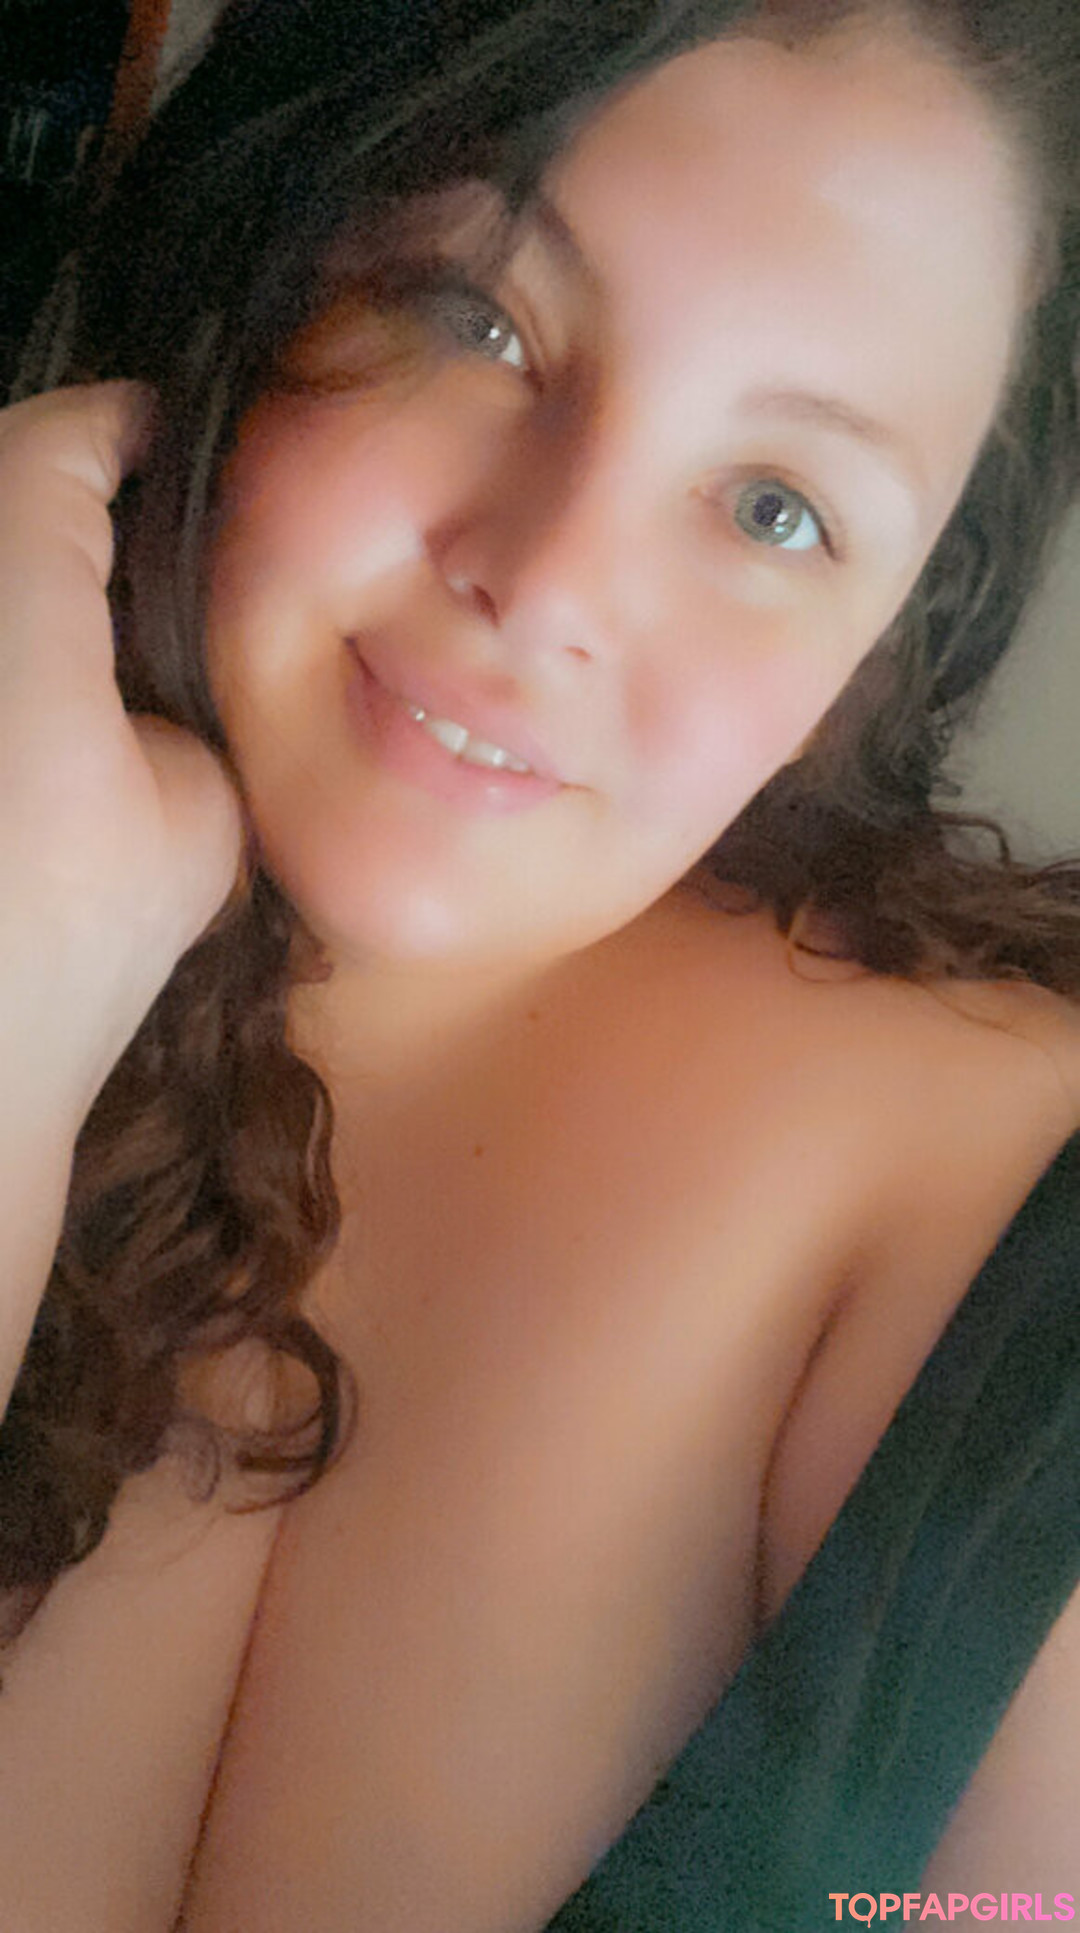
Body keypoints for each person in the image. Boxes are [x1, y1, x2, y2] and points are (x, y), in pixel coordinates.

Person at [0, 0, 1078, 1926]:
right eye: (477, 318)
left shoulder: (1019, 1295)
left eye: (777, 507)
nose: (553, 583)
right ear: (257, 258)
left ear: (878, 648)